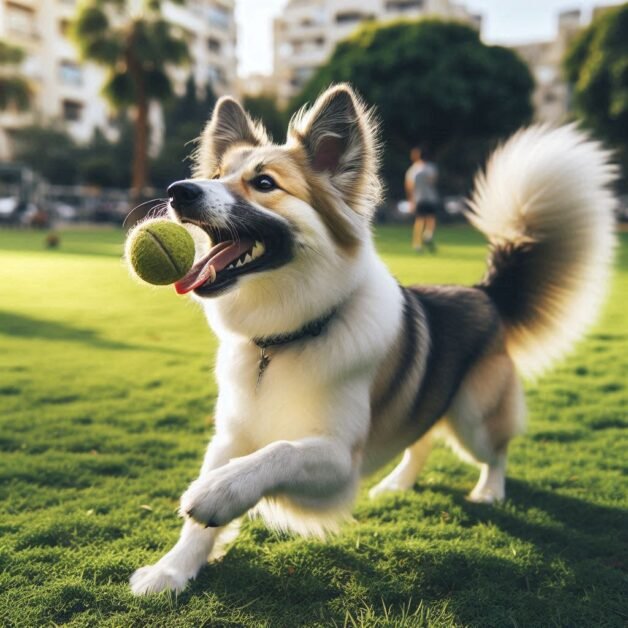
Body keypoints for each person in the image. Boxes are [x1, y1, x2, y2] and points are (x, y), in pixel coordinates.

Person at [405, 144, 439, 252]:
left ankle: (417, 244)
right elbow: (433, 181)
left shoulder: (413, 170)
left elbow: (409, 186)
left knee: (419, 221)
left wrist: (411, 201)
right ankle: (428, 235)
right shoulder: (431, 168)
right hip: (430, 197)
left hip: (418, 198)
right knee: (431, 219)